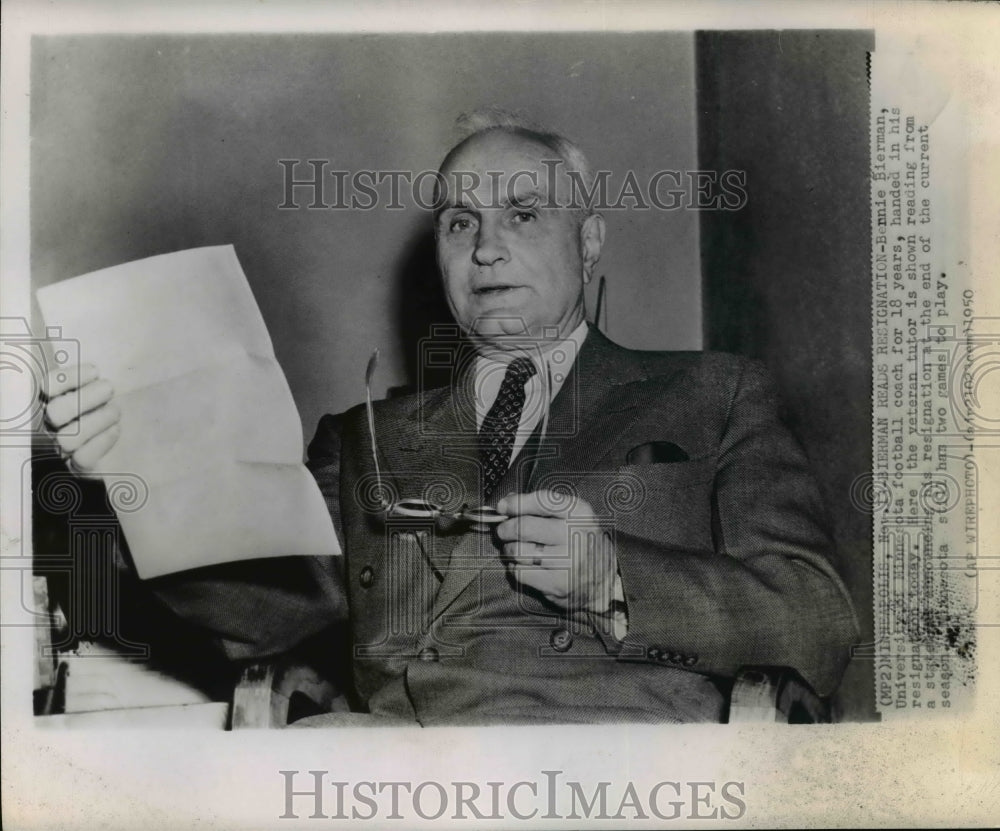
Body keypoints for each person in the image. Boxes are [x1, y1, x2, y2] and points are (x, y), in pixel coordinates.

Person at [42, 111, 859, 724]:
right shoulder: (365, 437)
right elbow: (262, 613)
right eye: (461, 221)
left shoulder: (715, 393)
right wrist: (135, 479)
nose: (486, 246)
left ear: (591, 241)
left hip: (617, 767)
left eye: (524, 214)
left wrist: (613, 576)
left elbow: (817, 614)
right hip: (398, 778)